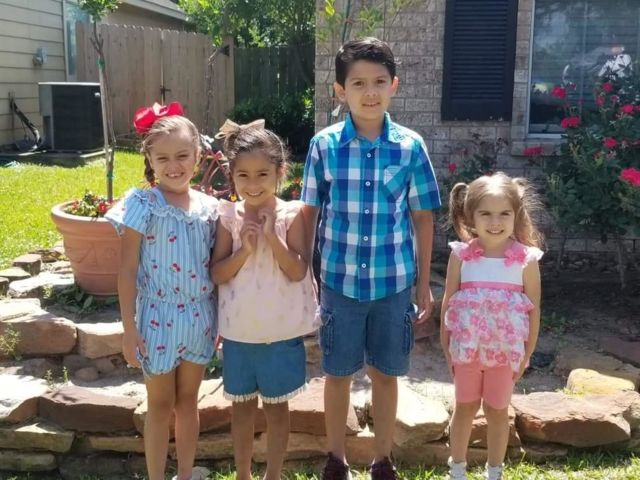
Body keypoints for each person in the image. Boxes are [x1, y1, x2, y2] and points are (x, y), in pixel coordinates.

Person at [301, 37, 441, 480]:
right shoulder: (324, 146)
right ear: (340, 91)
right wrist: (306, 274)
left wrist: (423, 284)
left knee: (385, 374)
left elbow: (422, 217)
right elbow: (310, 212)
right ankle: (336, 458)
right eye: (358, 83)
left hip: (392, 285)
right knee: (338, 373)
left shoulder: (410, 147)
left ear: (394, 85)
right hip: (339, 283)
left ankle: (383, 458)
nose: (370, 92)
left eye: (379, 81)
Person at [106, 102, 217, 480]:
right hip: (157, 318)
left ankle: (184, 474)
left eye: (183, 155)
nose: (174, 165)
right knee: (159, 404)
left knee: (188, 402)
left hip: (199, 318)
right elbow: (127, 270)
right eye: (163, 158)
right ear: (150, 160)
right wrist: (128, 329)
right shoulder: (143, 204)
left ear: (198, 156)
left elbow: (214, 270)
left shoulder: (210, 209)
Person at [210, 120, 318, 480]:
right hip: (239, 334)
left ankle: (273, 474)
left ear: (279, 172)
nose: (252, 184)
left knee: (276, 409)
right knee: (241, 410)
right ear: (232, 175)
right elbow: (218, 273)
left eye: (262, 174)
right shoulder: (229, 217)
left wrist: (272, 238)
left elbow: (298, 270)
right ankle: (242, 474)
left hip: (280, 333)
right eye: (243, 175)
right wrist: (244, 250)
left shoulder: (291, 215)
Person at [441, 173, 543, 480]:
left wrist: (526, 355)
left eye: (504, 214)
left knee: (497, 411)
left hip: (505, 355)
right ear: (470, 215)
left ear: (516, 215)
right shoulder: (461, 256)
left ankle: (494, 472)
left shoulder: (525, 260)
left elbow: (533, 311)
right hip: (467, 353)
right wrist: (447, 349)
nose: (495, 222)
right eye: (485, 213)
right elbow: (448, 304)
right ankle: (457, 471)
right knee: (465, 407)